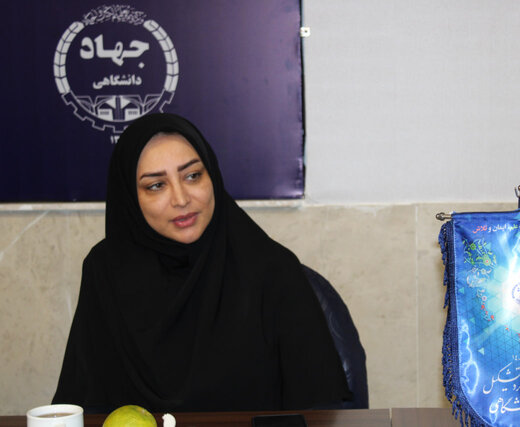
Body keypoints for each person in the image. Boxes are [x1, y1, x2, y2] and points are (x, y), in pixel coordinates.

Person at [52, 113, 352, 412]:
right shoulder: (105, 270)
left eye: (192, 176)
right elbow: (83, 401)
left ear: (213, 177)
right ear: (130, 198)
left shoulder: (272, 270)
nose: (181, 199)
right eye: (156, 185)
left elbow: (318, 406)